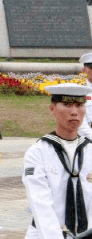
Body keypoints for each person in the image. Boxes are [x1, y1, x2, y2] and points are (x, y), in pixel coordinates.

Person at [22, 83, 92, 239]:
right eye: (67, 105)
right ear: (52, 109)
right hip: (45, 234)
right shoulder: (38, 152)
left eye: (79, 105)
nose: (74, 112)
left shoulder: (89, 150)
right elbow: (40, 204)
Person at [78, 53, 92, 140]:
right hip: (86, 138)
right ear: (84, 69)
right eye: (91, 68)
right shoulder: (79, 90)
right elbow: (80, 121)